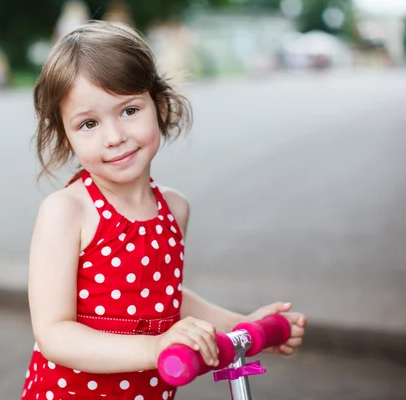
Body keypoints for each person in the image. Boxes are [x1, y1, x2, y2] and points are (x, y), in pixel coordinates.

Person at [21, 20, 307, 400]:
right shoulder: (67, 212)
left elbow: (164, 297)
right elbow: (54, 331)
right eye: (88, 123)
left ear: (158, 104)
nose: (114, 136)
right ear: (66, 135)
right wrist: (153, 349)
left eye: (128, 110)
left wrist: (240, 326)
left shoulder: (174, 208)